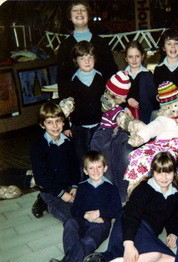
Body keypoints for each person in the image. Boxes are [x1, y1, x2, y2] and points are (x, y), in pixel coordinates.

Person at [75, 152, 178, 262]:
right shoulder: (144, 189)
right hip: (130, 226)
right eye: (159, 173)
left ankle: (101, 261)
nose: (164, 177)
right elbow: (131, 216)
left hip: (148, 234)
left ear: (175, 172)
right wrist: (129, 244)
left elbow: (174, 217)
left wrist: (173, 232)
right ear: (152, 172)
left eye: (168, 172)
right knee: (153, 255)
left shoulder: (175, 195)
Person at [48, 151, 121, 262]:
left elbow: (117, 210)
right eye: (91, 168)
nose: (95, 171)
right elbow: (75, 209)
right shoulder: (82, 187)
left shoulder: (111, 188)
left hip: (101, 223)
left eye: (99, 167)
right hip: (83, 219)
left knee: (87, 240)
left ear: (105, 168)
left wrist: (99, 213)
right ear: (85, 171)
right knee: (70, 223)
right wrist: (85, 215)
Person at [30, 101, 80, 223]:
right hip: (50, 190)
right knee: (71, 219)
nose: (55, 126)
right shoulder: (38, 147)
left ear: (63, 122)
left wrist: (74, 186)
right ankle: (45, 203)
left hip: (67, 185)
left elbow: (74, 166)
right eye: (49, 122)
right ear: (42, 125)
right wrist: (62, 195)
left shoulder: (68, 142)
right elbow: (42, 178)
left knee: (85, 209)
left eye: (58, 121)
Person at [57, 1, 118, 99]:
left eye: (83, 10)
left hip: (101, 102)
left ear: (89, 15)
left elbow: (111, 72)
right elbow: (62, 79)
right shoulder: (65, 46)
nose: (79, 13)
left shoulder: (101, 43)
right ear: (69, 16)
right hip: (76, 105)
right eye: (75, 10)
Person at [63, 40, 106, 179]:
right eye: (82, 58)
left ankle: (100, 185)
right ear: (76, 60)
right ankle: (83, 186)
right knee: (82, 158)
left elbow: (107, 101)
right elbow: (66, 107)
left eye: (90, 57)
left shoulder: (100, 78)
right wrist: (66, 126)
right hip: (79, 128)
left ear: (95, 59)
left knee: (98, 158)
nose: (86, 61)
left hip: (98, 126)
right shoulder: (72, 81)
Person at [90, 71, 133, 202]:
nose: (125, 100)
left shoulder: (114, 102)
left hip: (113, 132)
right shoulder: (108, 101)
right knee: (105, 167)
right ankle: (107, 198)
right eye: (122, 97)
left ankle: (122, 197)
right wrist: (123, 112)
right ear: (115, 94)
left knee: (119, 163)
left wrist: (123, 108)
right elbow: (112, 110)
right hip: (103, 135)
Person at [124, 40, 158, 123]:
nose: (134, 60)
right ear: (126, 58)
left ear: (142, 57)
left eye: (137, 56)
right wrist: (127, 100)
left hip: (146, 116)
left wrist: (159, 97)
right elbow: (117, 97)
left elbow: (153, 95)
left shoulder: (148, 75)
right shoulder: (121, 76)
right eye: (130, 57)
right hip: (128, 115)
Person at [154, 29, 178, 99]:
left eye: (176, 43)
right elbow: (155, 92)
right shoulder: (158, 70)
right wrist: (159, 97)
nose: (173, 46)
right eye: (169, 44)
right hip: (165, 107)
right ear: (163, 48)